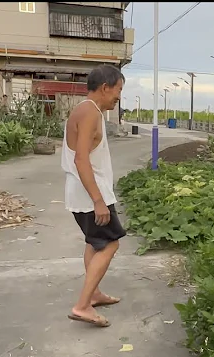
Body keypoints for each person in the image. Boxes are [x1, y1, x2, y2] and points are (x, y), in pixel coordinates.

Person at [61, 65, 127, 327]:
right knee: (110, 244)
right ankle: (83, 305)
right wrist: (98, 201)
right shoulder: (90, 112)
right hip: (90, 194)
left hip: (84, 192)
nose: (118, 96)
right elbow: (81, 160)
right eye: (118, 90)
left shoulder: (87, 110)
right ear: (105, 87)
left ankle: (94, 294)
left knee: (95, 243)